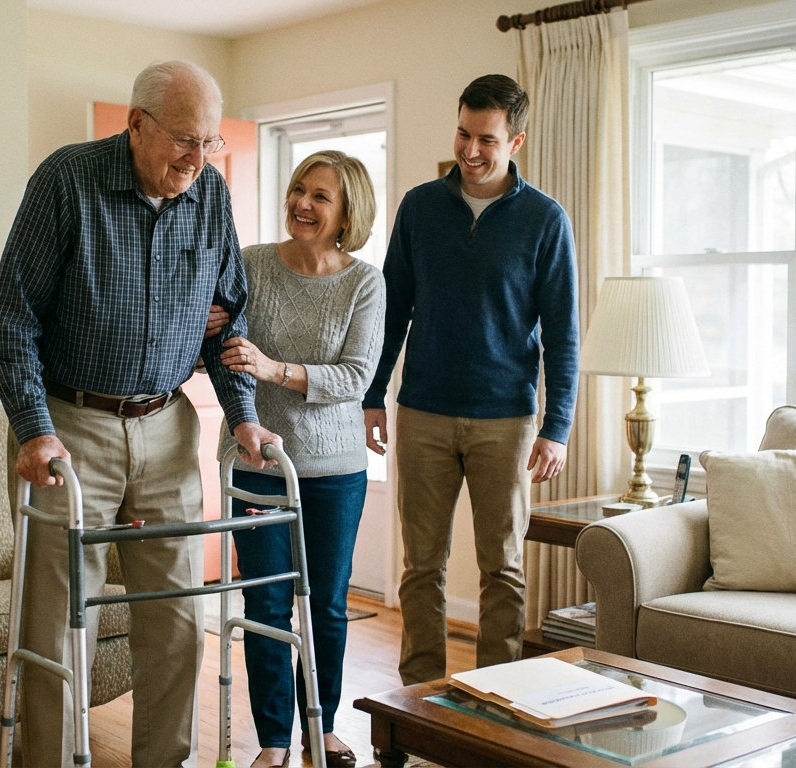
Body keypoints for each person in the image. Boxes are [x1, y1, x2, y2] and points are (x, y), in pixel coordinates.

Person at [0, 60, 281, 768]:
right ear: (136, 123)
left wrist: (243, 418)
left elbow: (226, 321)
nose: (198, 158)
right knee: (60, 628)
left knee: (178, 618)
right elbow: (10, 322)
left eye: (211, 142)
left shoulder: (209, 192)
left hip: (170, 425)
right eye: (185, 139)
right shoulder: (67, 181)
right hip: (70, 426)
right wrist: (34, 431)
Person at [362, 74, 579, 685]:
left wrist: (556, 424)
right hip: (424, 412)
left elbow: (563, 333)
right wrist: (374, 395)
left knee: (502, 568)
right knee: (421, 567)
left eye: (486, 138)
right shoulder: (420, 208)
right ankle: (421, 699)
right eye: (463, 133)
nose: (471, 150)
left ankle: (498, 699)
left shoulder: (544, 220)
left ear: (517, 142)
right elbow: (392, 309)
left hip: (507, 419)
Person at [217, 150, 384, 768]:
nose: (303, 204)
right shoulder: (252, 265)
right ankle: (273, 741)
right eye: (298, 190)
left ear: (347, 213)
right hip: (258, 463)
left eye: (320, 196)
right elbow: (222, 342)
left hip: (336, 470)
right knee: (264, 603)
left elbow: (357, 376)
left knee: (326, 603)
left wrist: (273, 369)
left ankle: (324, 725)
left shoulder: (365, 282)